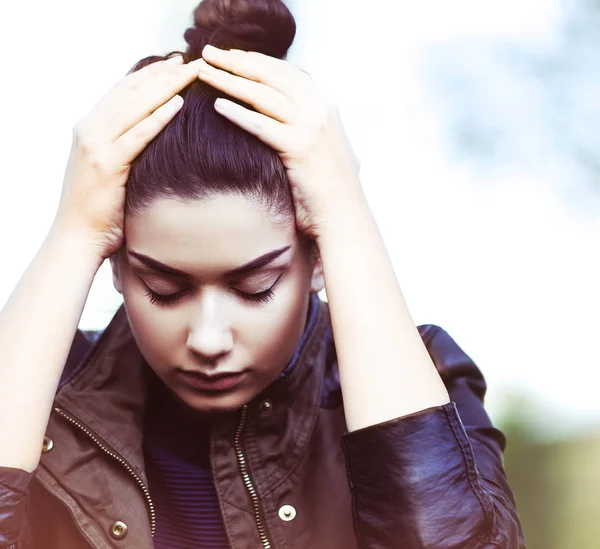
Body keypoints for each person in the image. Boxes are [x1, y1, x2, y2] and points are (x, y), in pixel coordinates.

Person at [0, 1, 525, 548]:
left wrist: (347, 217)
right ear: (114, 265)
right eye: (164, 288)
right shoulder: (45, 392)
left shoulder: (423, 377)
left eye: (255, 288)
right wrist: (73, 232)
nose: (207, 338)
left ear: (318, 258)